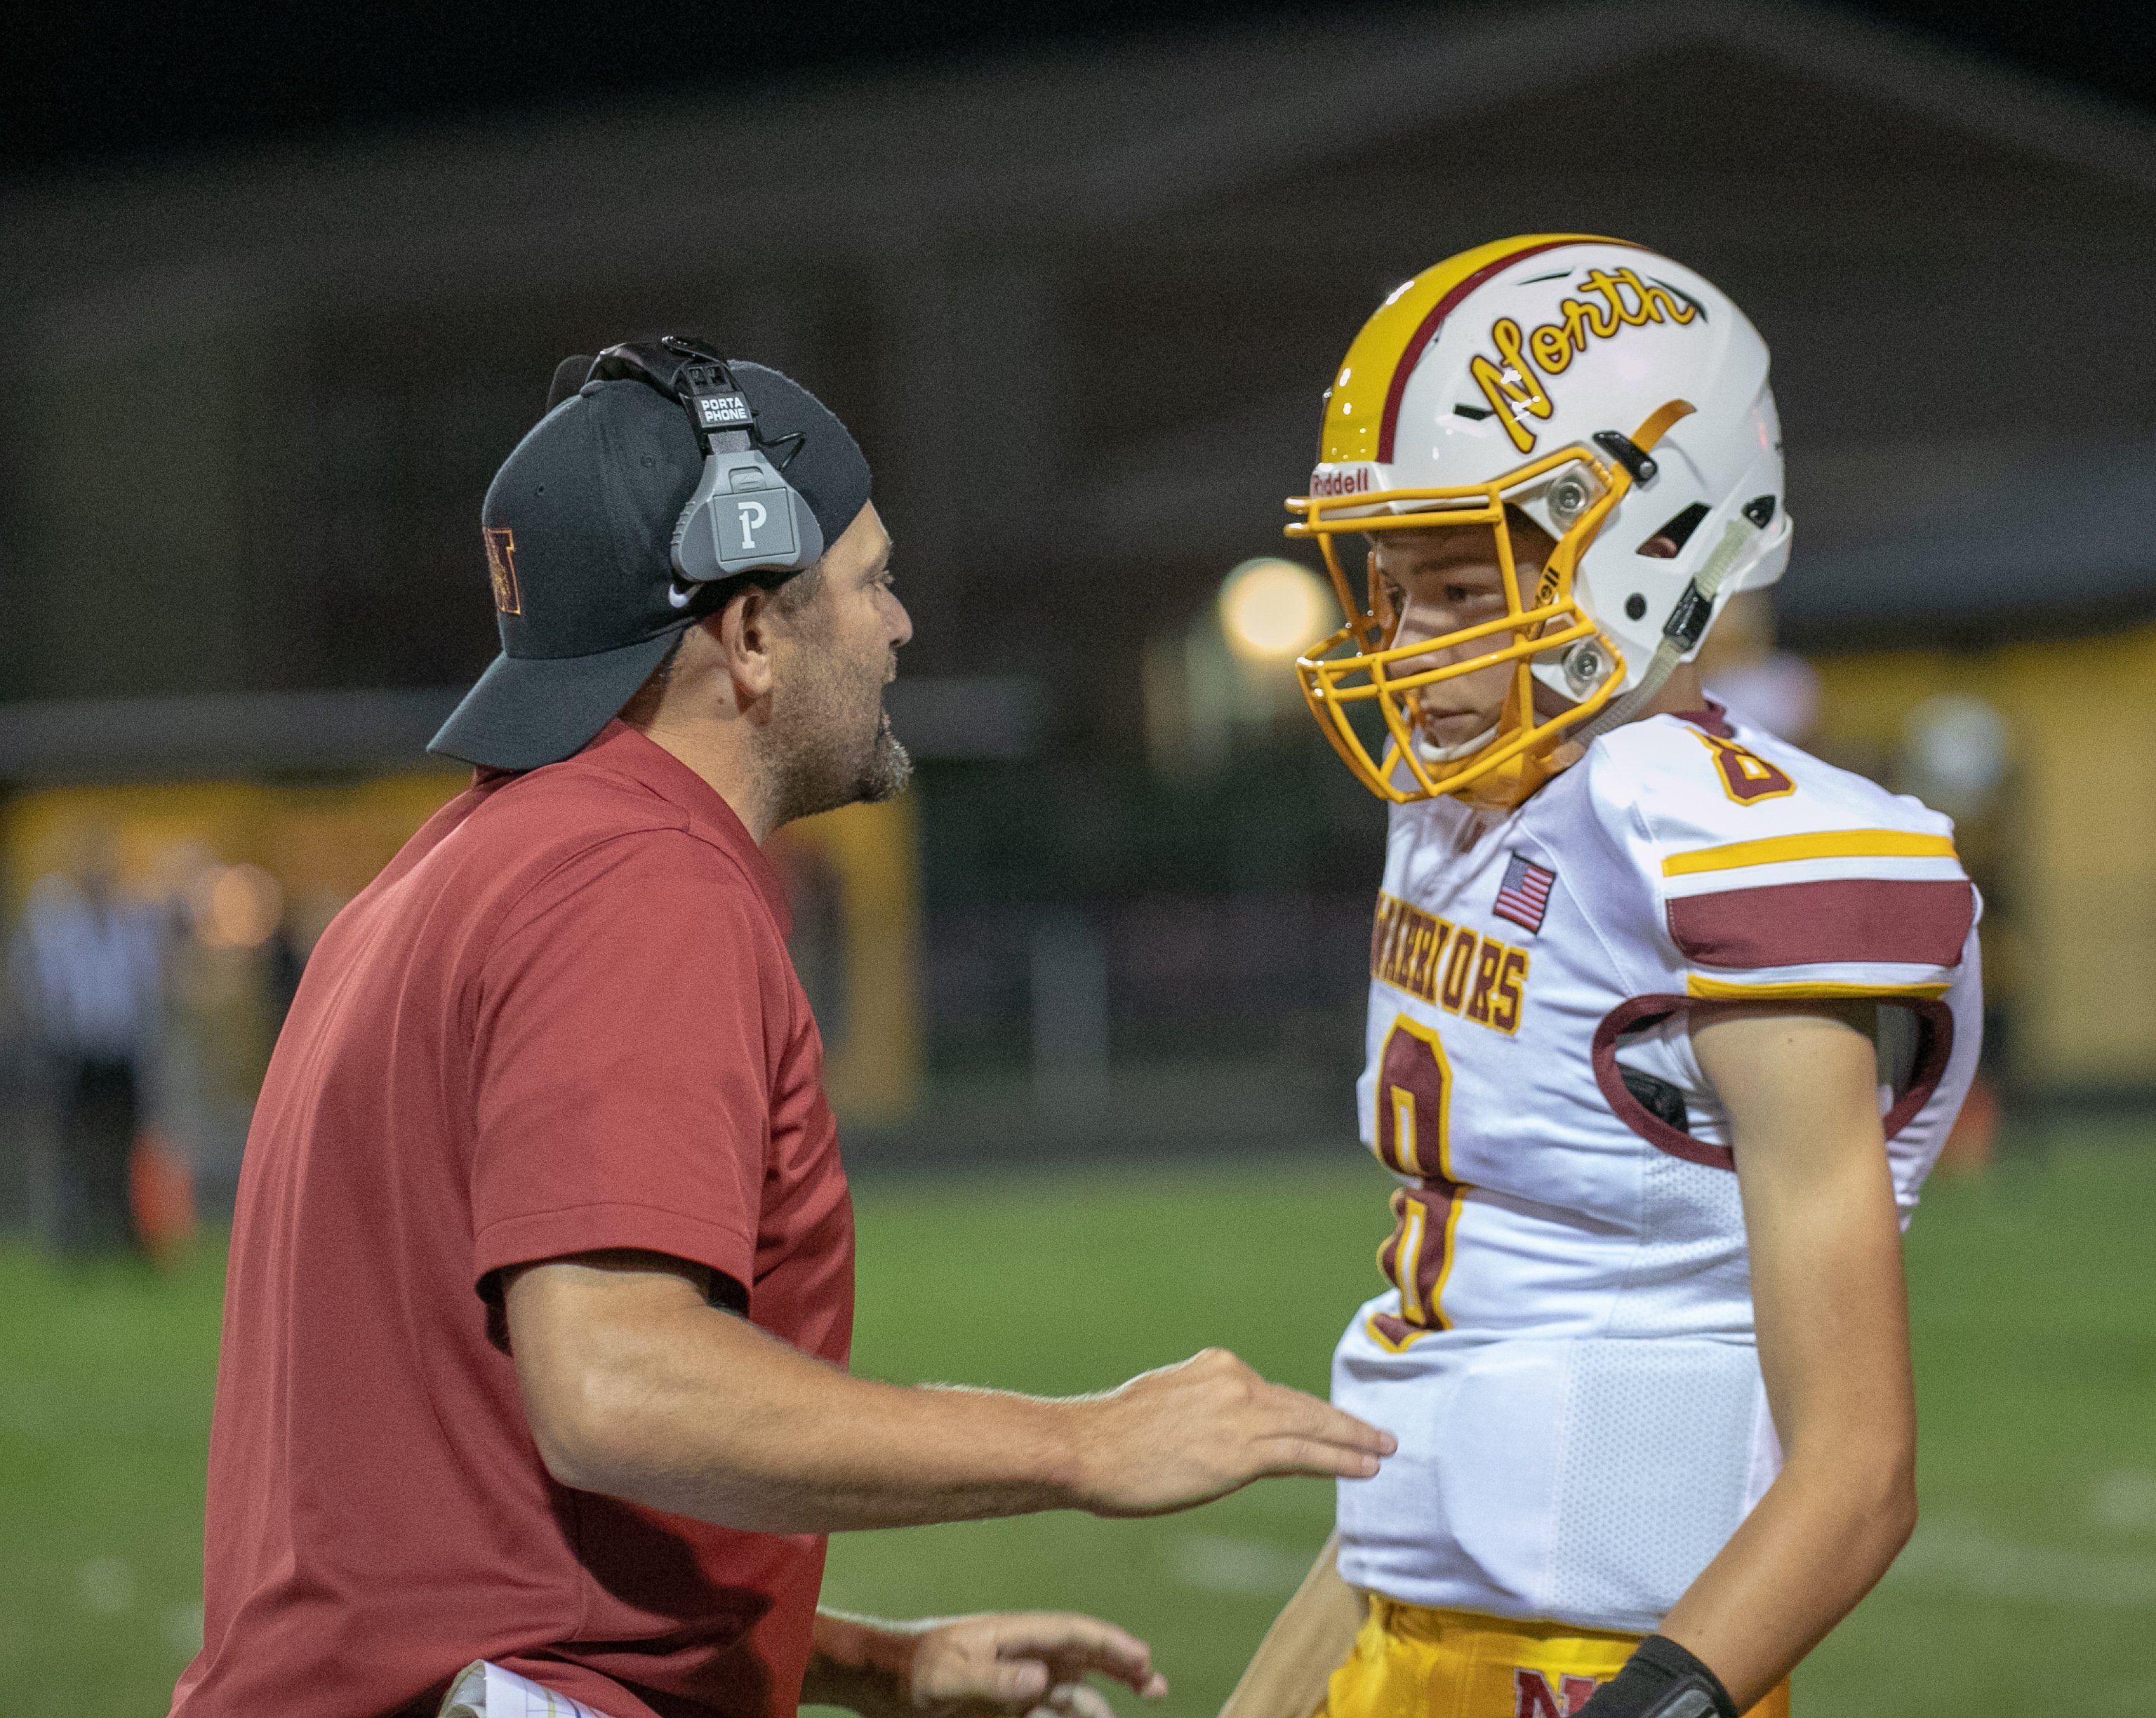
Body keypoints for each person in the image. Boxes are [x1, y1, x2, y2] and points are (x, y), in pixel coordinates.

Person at [171, 340, 1392, 1718]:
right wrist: (1088, 1443)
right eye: (869, 581)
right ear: (752, 633)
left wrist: (871, 1660)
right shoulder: (638, 883)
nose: (899, 627)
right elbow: (617, 1385)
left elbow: (461, 1500)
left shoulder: (450, 874)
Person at [1221, 239, 1981, 1718]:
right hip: (1396, 1637)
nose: (1404, 645)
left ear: (1651, 545)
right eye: (1391, 590)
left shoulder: (1717, 848)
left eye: (1458, 587)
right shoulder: (1455, 820)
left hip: (1603, 1676)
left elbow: (1858, 1476)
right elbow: (1458, 1385)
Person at [7, 825, 164, 1254]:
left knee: (125, 1142)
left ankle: (126, 1232)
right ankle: (75, 1237)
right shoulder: (60, 926)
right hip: (77, 1051)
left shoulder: (129, 924)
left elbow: (145, 987)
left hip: (121, 1051)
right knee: (74, 1145)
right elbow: (42, 986)